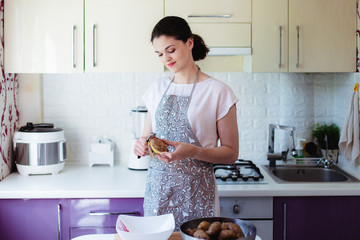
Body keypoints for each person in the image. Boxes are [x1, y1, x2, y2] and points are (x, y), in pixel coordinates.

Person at [133, 16, 239, 230]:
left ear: (189, 43)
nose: (165, 59)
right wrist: (141, 144)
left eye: (170, 50)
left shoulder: (218, 91)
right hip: (159, 194)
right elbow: (147, 135)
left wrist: (192, 151)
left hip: (198, 194)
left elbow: (231, 153)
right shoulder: (156, 89)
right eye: (160, 54)